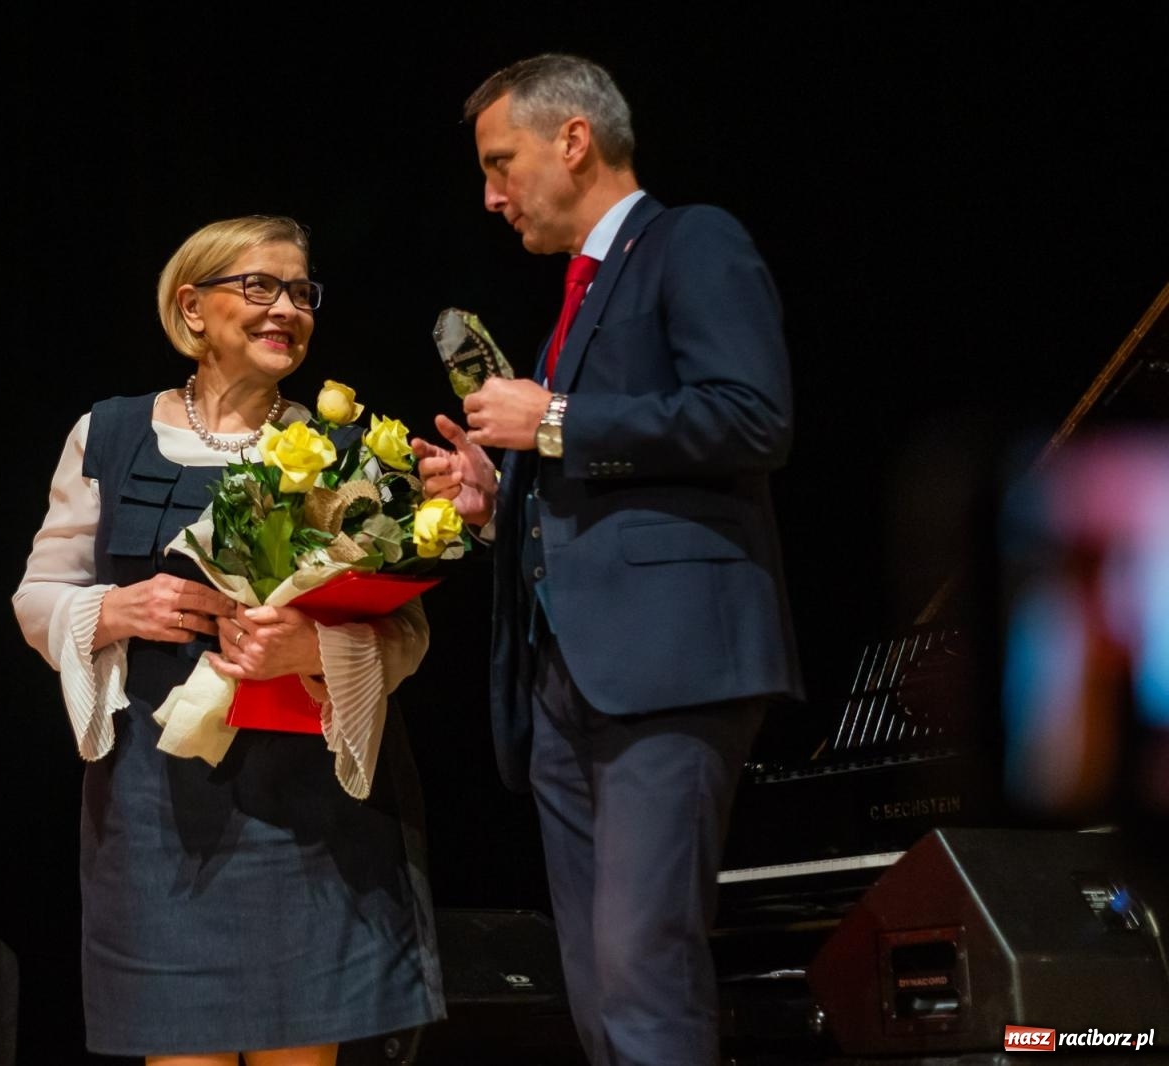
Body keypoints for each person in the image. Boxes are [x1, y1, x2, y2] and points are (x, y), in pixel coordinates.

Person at [412, 55, 803, 1066]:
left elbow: (751, 417)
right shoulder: (576, 299)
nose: (491, 196)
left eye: (502, 164)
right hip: (567, 680)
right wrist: (496, 504)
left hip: (664, 667)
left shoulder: (691, 241)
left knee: (642, 963)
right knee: (593, 981)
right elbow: (597, 475)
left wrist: (554, 419)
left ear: (573, 139)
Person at [13, 216, 444, 1065]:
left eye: (300, 292)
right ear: (192, 307)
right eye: (260, 287)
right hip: (155, 800)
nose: (286, 307)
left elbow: (407, 636)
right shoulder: (110, 434)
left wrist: (312, 652)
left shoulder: (347, 452)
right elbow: (38, 596)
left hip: (308, 807)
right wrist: (116, 610)